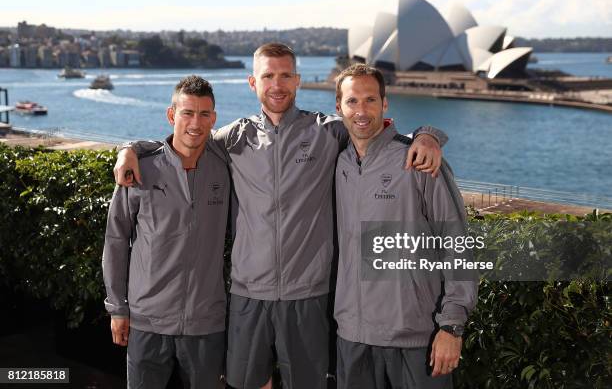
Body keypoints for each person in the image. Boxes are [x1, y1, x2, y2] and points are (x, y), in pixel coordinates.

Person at [113, 43, 447, 389]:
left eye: (285, 75)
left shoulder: (327, 132)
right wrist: (130, 148)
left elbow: (372, 127)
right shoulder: (233, 138)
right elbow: (184, 140)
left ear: (297, 80)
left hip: (308, 295)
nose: (277, 84)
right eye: (268, 75)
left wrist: (429, 135)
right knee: (245, 383)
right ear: (252, 82)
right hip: (247, 294)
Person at [333, 63, 478, 389]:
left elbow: (457, 243)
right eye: (352, 101)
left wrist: (452, 326)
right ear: (338, 108)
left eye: (370, 100)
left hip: (416, 338)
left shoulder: (418, 160)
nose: (361, 111)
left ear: (385, 104)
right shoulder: (339, 162)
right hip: (353, 337)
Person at [102, 76, 228, 389]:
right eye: (187, 113)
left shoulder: (226, 167)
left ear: (213, 118)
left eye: (203, 114)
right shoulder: (141, 169)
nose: (195, 123)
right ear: (172, 115)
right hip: (147, 320)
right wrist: (117, 307)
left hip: (206, 322)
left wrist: (129, 146)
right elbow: (116, 241)